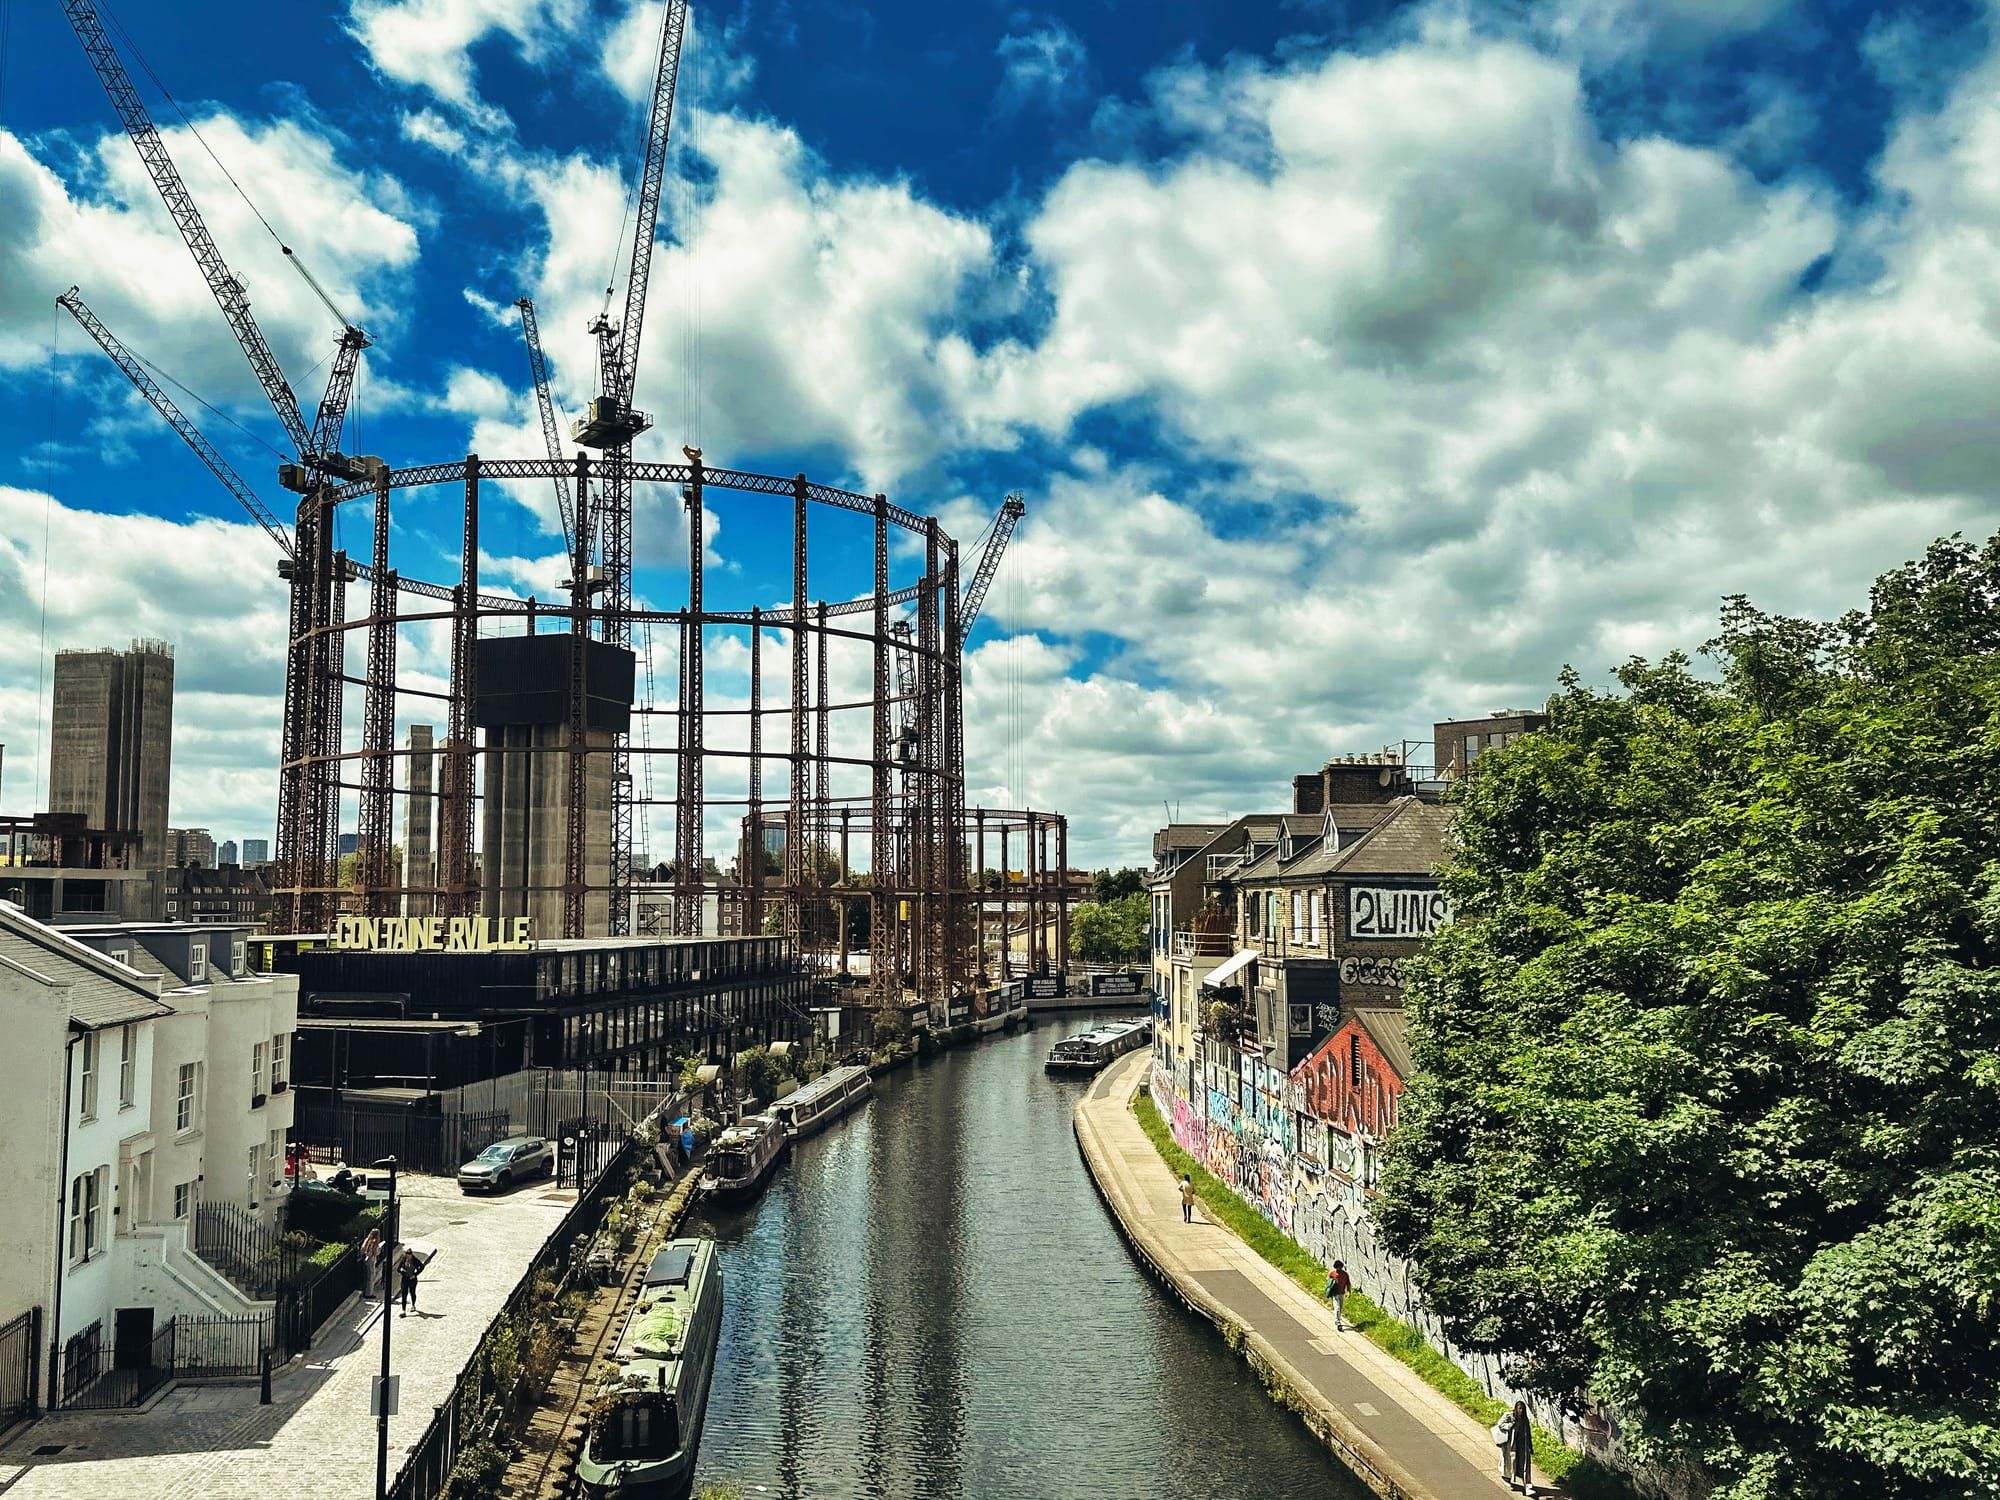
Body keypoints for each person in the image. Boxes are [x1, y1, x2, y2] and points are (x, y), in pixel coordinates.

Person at [1492, 1399, 1535, 1495]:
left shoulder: (1525, 1419)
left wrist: (1530, 1446)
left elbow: (1528, 1433)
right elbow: (1500, 1423)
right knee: (1509, 1462)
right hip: (1510, 1444)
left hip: (1521, 1444)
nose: (1521, 1411)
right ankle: (1506, 1478)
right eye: (1519, 1408)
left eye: (1523, 1409)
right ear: (1516, 1408)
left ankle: (1527, 1484)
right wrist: (1511, 1424)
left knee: (1524, 1463)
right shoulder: (1509, 1415)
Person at [1326, 1260, 1353, 1331]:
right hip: (1334, 1293)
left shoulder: (1345, 1274)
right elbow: (1328, 1283)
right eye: (1337, 1268)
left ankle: (1337, 1319)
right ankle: (1338, 1322)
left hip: (1342, 1293)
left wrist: (1349, 1292)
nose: (1338, 1269)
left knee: (1340, 1307)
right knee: (1337, 1307)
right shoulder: (1332, 1273)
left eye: (1340, 1268)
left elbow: (1348, 1283)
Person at [397, 1247, 423, 1315]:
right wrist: (401, 1270)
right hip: (405, 1279)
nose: (408, 1256)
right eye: (407, 1254)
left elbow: (422, 1266)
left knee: (412, 1292)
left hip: (412, 1279)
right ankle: (403, 1310)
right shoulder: (403, 1259)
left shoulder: (414, 1260)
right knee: (404, 1294)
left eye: (409, 1255)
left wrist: (415, 1274)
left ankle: (413, 1305)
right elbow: (398, 1268)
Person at [359, 1227, 382, 1296]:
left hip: (366, 1259)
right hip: (371, 1259)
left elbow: (362, 1249)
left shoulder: (367, 1240)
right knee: (371, 1277)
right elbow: (375, 1253)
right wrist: (379, 1249)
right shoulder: (374, 1242)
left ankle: (367, 1292)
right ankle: (369, 1293)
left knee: (368, 1276)